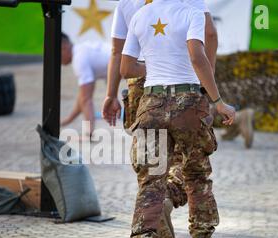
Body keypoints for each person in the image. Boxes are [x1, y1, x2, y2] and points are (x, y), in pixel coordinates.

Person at [120, 0, 236, 238]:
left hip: (150, 104)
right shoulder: (192, 12)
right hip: (188, 104)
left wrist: (155, 64)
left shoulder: (141, 15)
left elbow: (126, 68)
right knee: (197, 177)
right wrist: (217, 102)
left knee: (151, 182)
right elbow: (197, 57)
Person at [103, 0, 255, 148]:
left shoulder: (126, 3)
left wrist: (111, 95)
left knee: (149, 144)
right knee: (186, 120)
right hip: (181, 72)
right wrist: (208, 73)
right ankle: (238, 118)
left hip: (140, 76)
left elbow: (117, 52)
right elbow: (210, 33)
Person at [61, 33, 111, 136]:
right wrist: (68, 120)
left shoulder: (78, 60)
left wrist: (89, 133)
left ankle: (89, 132)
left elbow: (86, 100)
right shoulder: (81, 50)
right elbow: (82, 97)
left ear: (63, 47)